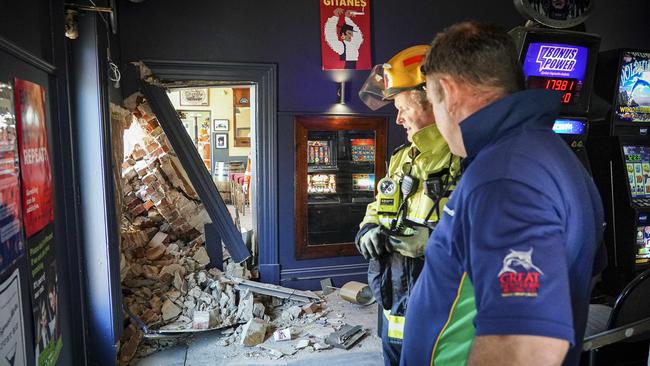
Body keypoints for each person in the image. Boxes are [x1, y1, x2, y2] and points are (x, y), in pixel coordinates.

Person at [401, 21, 604, 366]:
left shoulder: (505, 176)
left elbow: (526, 347)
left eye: (433, 101)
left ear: (447, 92)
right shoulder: (549, 153)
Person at [356, 45, 460, 366]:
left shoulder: (463, 156)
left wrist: (431, 241)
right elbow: (380, 204)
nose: (398, 119)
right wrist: (369, 229)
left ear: (433, 98)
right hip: (393, 296)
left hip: (439, 306)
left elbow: (486, 231)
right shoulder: (403, 158)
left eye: (403, 108)